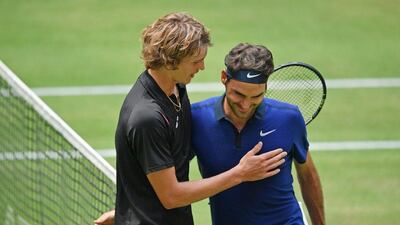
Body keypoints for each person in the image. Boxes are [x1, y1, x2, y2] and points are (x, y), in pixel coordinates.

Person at [99, 13, 287, 225]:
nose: (202, 67)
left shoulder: (176, 88)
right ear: (171, 61)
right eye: (196, 61)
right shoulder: (147, 117)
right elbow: (172, 196)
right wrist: (240, 174)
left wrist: (128, 208)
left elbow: (170, 158)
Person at [191, 43, 325, 225]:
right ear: (224, 78)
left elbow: (308, 175)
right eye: (238, 94)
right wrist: (240, 174)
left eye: (256, 97)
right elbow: (173, 186)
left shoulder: (289, 117)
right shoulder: (196, 119)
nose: (246, 105)